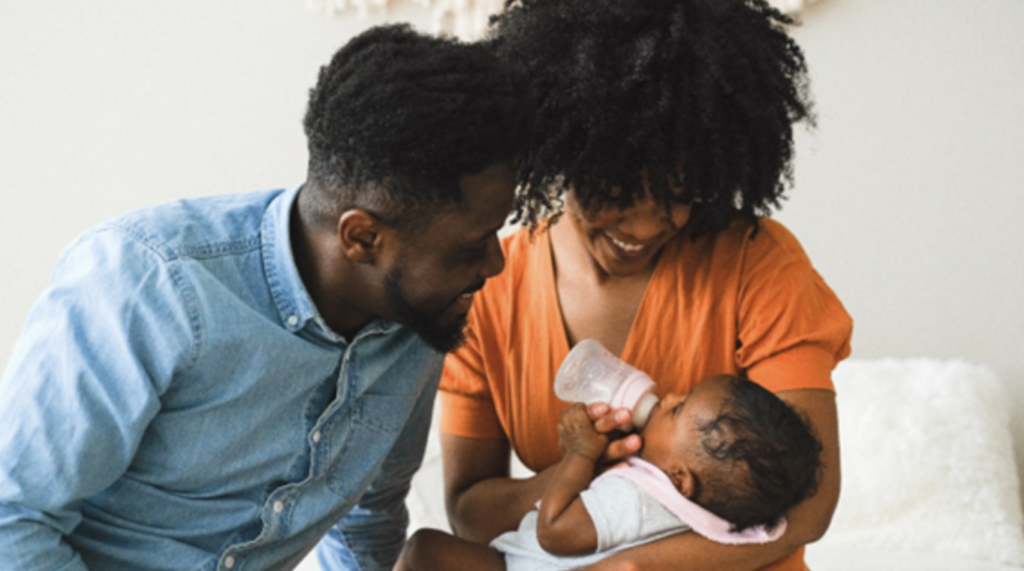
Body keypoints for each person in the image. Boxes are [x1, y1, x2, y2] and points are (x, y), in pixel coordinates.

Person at [0, 24, 532, 571]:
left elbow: (368, 521)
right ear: (362, 238)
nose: (495, 263)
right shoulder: (149, 283)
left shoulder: (417, 324)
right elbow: (11, 519)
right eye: (469, 247)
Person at [438, 1, 854, 571]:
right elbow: (470, 512)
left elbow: (810, 506)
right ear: (564, 151)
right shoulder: (488, 289)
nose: (647, 226)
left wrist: (638, 568)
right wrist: (576, 469)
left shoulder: (757, 263)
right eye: (617, 190)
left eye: (677, 194)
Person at [396, 374, 822, 571]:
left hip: (521, 566)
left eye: (677, 408)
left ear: (679, 479)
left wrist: (580, 456)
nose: (669, 394)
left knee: (422, 552)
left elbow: (555, 533)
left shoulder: (637, 498)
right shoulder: (715, 518)